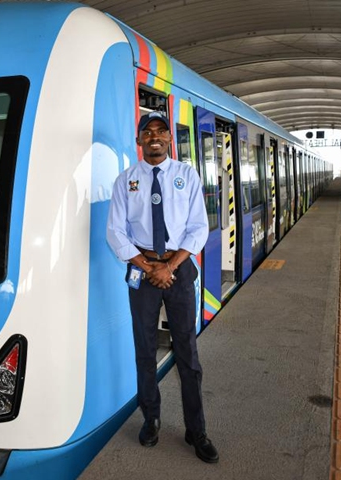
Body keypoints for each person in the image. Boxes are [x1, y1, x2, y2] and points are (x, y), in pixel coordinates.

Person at [106, 111, 218, 464]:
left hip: (179, 269)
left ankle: (195, 429)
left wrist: (169, 266)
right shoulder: (125, 181)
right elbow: (115, 232)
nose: (154, 137)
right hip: (143, 271)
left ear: (170, 139)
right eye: (147, 132)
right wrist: (148, 266)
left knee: (187, 352)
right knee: (145, 350)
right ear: (138, 140)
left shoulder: (187, 175)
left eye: (160, 131)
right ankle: (151, 419)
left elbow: (199, 227)